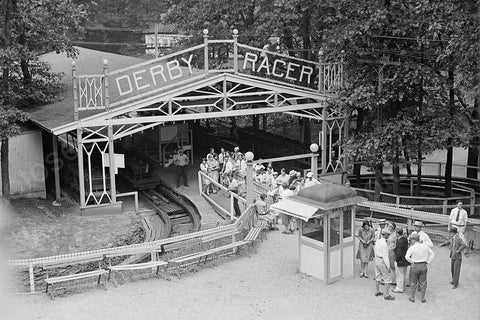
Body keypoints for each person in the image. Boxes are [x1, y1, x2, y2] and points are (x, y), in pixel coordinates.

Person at [405, 233, 435, 303]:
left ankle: (412, 297)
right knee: (423, 282)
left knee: (413, 281)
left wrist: (412, 261)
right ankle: (423, 297)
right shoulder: (425, 246)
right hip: (423, 265)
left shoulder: (412, 248)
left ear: (414, 240)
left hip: (415, 265)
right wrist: (428, 261)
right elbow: (432, 253)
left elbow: (406, 257)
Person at [374, 228, 395, 300]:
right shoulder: (384, 244)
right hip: (382, 260)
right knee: (387, 278)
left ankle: (377, 291)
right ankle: (386, 294)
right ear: (385, 235)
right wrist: (388, 266)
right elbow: (385, 256)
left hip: (377, 259)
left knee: (378, 275)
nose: (388, 236)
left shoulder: (378, 241)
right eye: (388, 235)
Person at [393, 228, 409, 293]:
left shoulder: (399, 242)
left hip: (400, 260)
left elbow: (399, 253)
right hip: (405, 260)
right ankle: (402, 286)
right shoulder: (405, 239)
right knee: (403, 274)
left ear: (397, 233)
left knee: (399, 275)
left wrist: (396, 260)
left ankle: (399, 288)